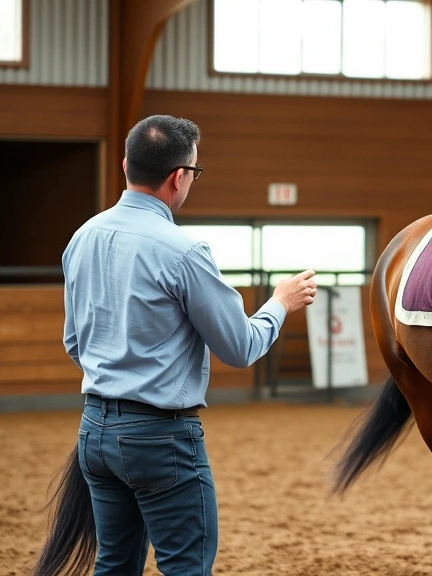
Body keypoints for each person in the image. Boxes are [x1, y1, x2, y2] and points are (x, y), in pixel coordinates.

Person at [62, 115, 317, 574]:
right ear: (178, 177)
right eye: (194, 172)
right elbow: (240, 348)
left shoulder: (83, 238)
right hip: (159, 437)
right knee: (186, 566)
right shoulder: (183, 251)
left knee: (114, 564)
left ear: (125, 165)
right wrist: (279, 304)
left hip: (94, 430)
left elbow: (74, 342)